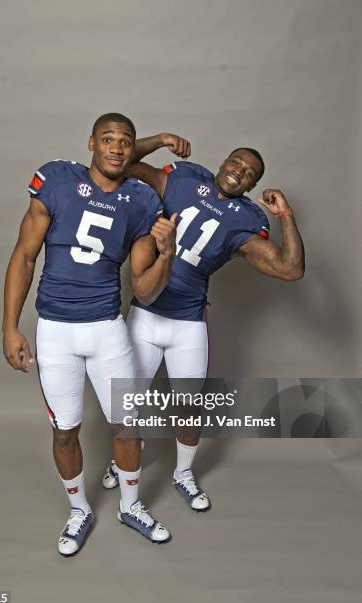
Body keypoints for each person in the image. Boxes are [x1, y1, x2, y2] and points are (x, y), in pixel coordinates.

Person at [2, 115, 178, 555]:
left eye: (125, 142)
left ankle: (130, 505)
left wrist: (168, 254)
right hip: (55, 330)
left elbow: (144, 288)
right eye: (108, 140)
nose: (116, 148)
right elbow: (24, 257)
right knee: (65, 431)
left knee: (128, 424)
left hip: (106, 329)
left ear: (132, 149)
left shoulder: (140, 201)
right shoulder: (58, 181)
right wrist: (9, 327)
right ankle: (79, 509)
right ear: (92, 144)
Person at [102, 133, 305, 511]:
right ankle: (124, 459)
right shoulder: (182, 179)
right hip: (145, 313)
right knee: (128, 402)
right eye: (235, 162)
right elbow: (123, 165)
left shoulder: (247, 218)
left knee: (189, 404)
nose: (238, 172)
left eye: (249, 172)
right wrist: (160, 140)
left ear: (253, 185)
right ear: (223, 161)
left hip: (188, 321)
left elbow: (290, 268)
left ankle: (183, 473)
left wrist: (286, 216)